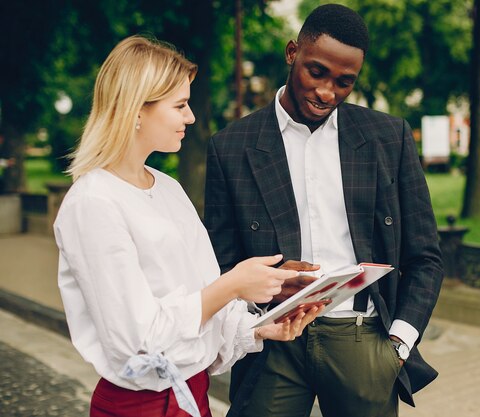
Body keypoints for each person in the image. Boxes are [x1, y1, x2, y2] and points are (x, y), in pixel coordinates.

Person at [53, 35, 322, 417]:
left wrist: (263, 322)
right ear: (136, 110)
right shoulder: (93, 203)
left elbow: (200, 297)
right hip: (138, 408)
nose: (191, 117)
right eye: (179, 105)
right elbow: (138, 343)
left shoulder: (168, 188)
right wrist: (232, 285)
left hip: (192, 398)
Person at [204, 4, 444, 417]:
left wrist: (399, 345)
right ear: (292, 52)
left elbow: (425, 256)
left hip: (363, 339)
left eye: (345, 82)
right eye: (317, 72)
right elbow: (219, 263)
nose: (327, 92)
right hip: (271, 343)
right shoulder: (231, 146)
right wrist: (262, 297)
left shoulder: (388, 138)